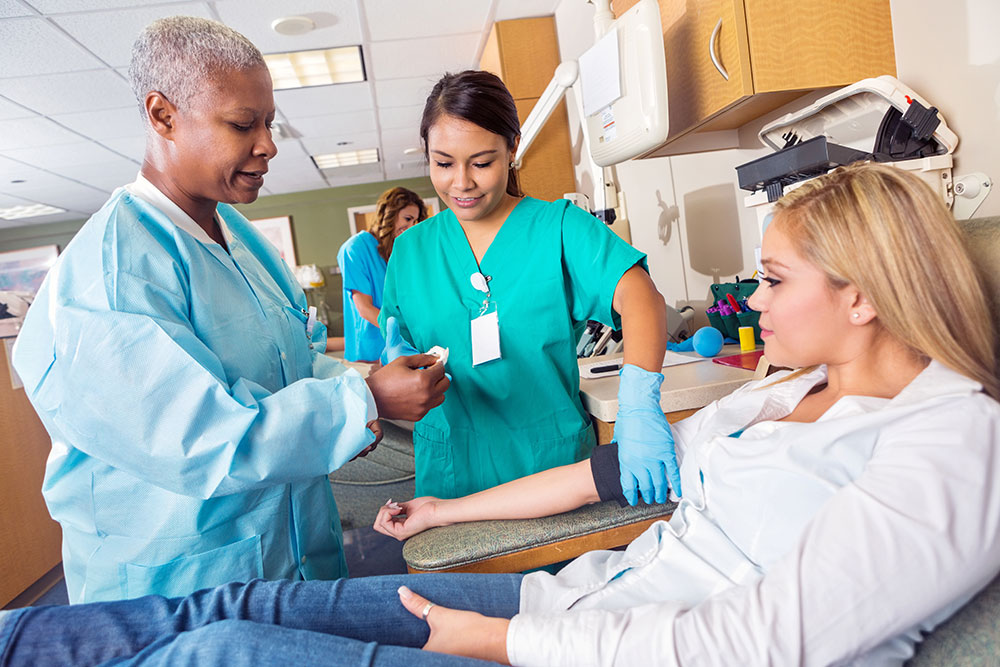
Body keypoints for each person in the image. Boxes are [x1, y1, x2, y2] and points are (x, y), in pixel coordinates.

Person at [5, 162, 1000, 666]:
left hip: (579, 645)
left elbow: (740, 642)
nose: (756, 298)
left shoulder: (953, 441)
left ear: (861, 294)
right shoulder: (787, 391)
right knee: (232, 606)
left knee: (216, 653)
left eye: (774, 279)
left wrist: (496, 641)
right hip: (576, 601)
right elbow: (609, 479)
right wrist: (443, 514)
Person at [10, 16, 447, 605]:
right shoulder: (113, 274)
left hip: (288, 552)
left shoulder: (236, 236)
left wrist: (363, 388)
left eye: (268, 122)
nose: (267, 143)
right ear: (163, 115)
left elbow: (292, 361)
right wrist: (364, 401)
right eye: (243, 124)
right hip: (181, 585)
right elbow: (202, 440)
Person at [380, 70, 680, 505]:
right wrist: (393, 368)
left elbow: (642, 300)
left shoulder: (558, 227)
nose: (461, 183)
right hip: (450, 472)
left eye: (481, 162)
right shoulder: (410, 251)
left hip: (552, 466)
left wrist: (639, 402)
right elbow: (398, 347)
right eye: (443, 163)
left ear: (512, 149)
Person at [338, 187, 428, 362]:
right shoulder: (355, 248)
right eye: (407, 219)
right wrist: (402, 335)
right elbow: (364, 308)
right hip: (369, 348)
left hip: (397, 345)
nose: (411, 227)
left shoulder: (395, 249)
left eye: (415, 221)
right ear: (389, 215)